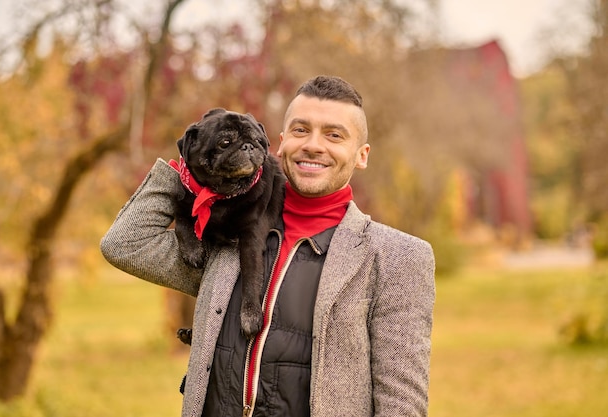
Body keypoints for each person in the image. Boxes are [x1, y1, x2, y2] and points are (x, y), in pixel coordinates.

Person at [100, 75, 436, 417]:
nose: (314, 145)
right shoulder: (224, 236)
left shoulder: (397, 258)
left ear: (361, 155)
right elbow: (125, 243)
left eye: (334, 135)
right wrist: (189, 166)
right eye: (301, 130)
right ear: (279, 142)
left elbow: (402, 405)